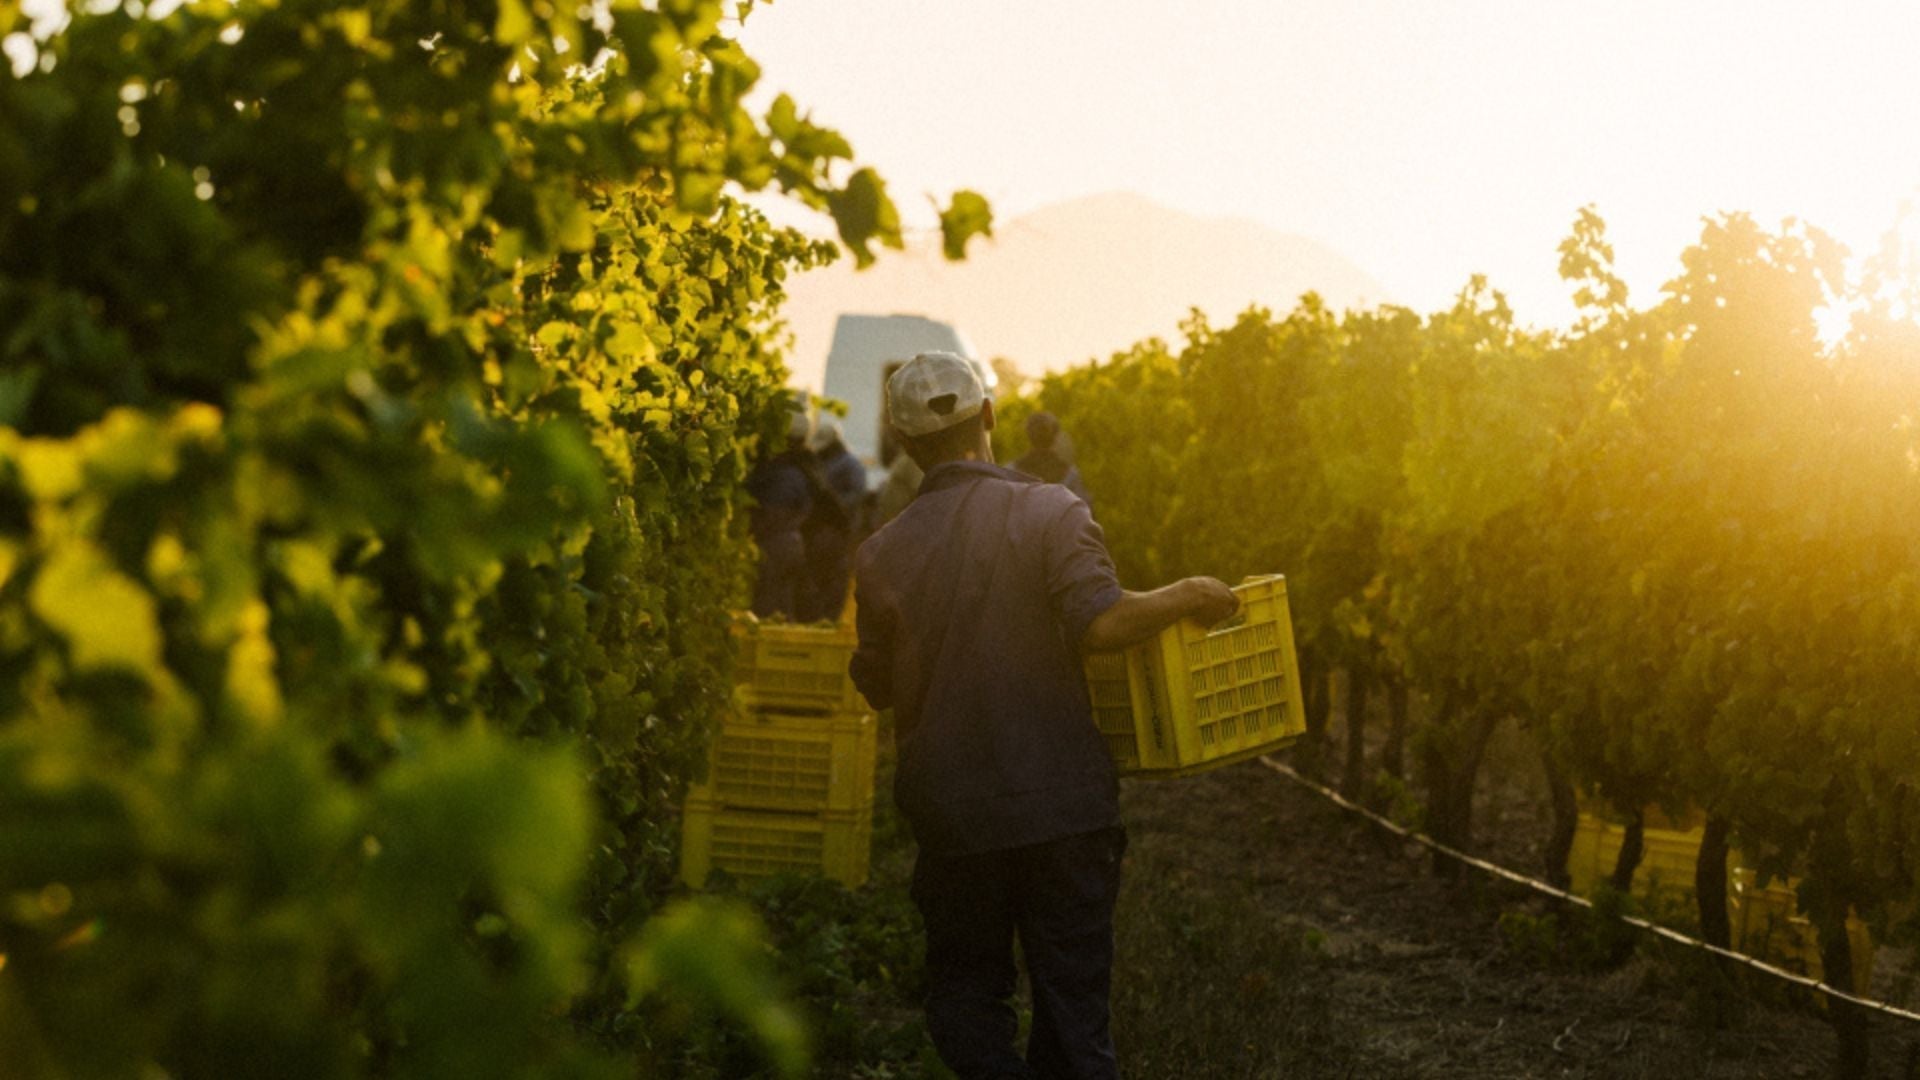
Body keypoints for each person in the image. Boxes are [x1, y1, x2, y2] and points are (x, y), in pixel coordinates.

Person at [848, 351, 1238, 1080]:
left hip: (954, 817)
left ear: (903, 445)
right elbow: (1101, 624)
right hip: (1063, 807)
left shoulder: (879, 553)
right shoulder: (1050, 509)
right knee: (1072, 1014)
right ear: (990, 416)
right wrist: (1186, 593)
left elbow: (875, 685)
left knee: (965, 994)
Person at [745, 393, 816, 619]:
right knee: (783, 604)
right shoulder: (802, 469)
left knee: (767, 607)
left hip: (776, 546)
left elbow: (775, 515)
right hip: (791, 544)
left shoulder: (784, 474)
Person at [797, 414, 868, 623]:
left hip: (839, 533)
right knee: (818, 582)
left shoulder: (851, 466)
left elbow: (853, 500)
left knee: (833, 582)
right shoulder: (824, 462)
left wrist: (828, 500)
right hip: (820, 533)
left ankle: (828, 620)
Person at [1012, 410, 1093, 513]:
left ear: (1028, 434)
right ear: (1055, 436)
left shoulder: (1011, 471)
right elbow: (1083, 514)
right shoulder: (1070, 474)